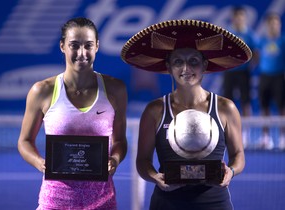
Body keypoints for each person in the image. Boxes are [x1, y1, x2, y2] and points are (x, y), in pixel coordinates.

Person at [121, 19, 250, 210]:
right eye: (178, 62)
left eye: (193, 61)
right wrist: (155, 177)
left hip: (214, 204)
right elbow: (142, 161)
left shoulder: (225, 107)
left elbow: (238, 155)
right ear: (169, 66)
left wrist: (231, 171)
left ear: (205, 65)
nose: (186, 69)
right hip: (167, 203)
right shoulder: (154, 110)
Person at [17, 17, 128, 209]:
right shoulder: (41, 91)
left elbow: (120, 141)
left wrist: (115, 159)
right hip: (54, 201)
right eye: (74, 45)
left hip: (103, 202)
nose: (82, 53)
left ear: (97, 47)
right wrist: (40, 163)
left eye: (88, 45)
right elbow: (24, 141)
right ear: (62, 46)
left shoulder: (116, 89)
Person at [222, 6, 257, 148]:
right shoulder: (227, 33)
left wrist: (250, 66)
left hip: (244, 73)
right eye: (237, 16)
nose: (239, 18)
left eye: (242, 16)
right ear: (233, 17)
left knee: (245, 102)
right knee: (226, 103)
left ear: (244, 18)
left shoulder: (249, 34)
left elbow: (256, 53)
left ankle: (246, 135)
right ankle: (226, 133)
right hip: (229, 72)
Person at [256, 13, 285, 150]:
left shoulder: (283, 40)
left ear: (279, 25)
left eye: (276, 23)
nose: (274, 25)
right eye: (271, 23)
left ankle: (282, 138)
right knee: (264, 108)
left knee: (282, 109)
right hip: (265, 78)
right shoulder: (262, 41)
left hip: (279, 78)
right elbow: (256, 56)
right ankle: (266, 138)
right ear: (268, 26)